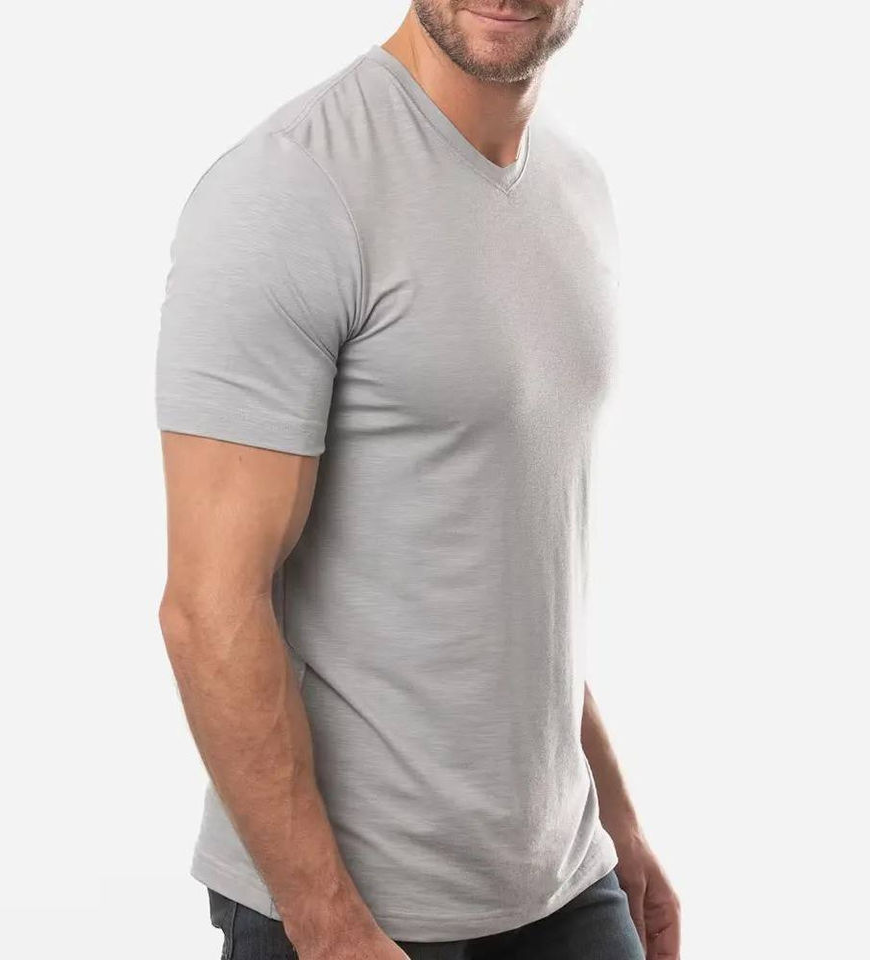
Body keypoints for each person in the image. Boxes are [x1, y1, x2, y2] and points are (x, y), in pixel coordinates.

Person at [155, 2, 681, 957]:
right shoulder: (292, 185)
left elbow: (509, 576)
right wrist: (328, 923)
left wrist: (616, 817)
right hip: (348, 904)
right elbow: (208, 608)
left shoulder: (575, 185)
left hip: (564, 880)